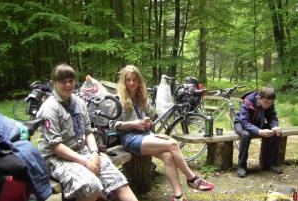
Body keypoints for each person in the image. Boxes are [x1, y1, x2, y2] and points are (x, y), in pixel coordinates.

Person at [111, 65, 214, 201]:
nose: (131, 83)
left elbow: (150, 119)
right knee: (172, 143)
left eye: (134, 80)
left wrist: (148, 122)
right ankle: (192, 178)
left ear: (139, 81)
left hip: (146, 135)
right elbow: (113, 125)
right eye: (128, 80)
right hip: (130, 138)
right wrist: (133, 124)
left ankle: (178, 196)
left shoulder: (143, 98)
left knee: (168, 156)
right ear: (124, 82)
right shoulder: (118, 99)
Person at [37, 63, 138, 201]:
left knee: (118, 181)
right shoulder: (50, 108)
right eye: (63, 81)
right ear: (54, 83)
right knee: (91, 186)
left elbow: (88, 132)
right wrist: (85, 162)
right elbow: (56, 146)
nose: (68, 85)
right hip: (56, 158)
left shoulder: (78, 102)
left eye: (70, 81)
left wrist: (95, 153)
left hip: (82, 151)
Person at [234, 87, 283, 178]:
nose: (268, 105)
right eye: (265, 102)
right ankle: (241, 166)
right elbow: (244, 122)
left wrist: (275, 127)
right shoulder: (247, 101)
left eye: (270, 102)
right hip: (241, 123)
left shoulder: (269, 102)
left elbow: (272, 117)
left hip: (258, 123)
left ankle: (269, 163)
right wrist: (258, 131)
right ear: (258, 97)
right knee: (245, 135)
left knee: (276, 133)